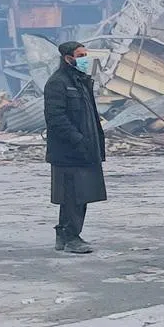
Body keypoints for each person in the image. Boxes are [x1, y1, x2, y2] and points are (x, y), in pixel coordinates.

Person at [44, 41, 106, 254]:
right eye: (80, 56)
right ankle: (71, 237)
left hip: (85, 148)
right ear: (67, 58)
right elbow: (56, 118)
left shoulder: (81, 81)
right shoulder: (57, 83)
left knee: (79, 195)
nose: (85, 59)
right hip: (69, 151)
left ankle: (64, 235)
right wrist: (78, 139)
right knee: (73, 195)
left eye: (85, 55)